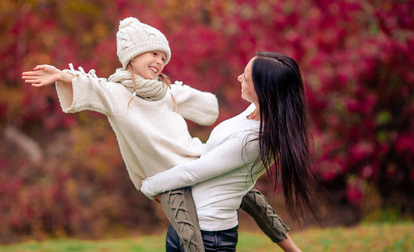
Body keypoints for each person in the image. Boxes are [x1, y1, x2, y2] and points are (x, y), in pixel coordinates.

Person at [22, 18, 295, 252]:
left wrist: (209, 107)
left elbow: (198, 104)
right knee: (193, 226)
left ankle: (290, 246)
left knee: (248, 195)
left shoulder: (165, 92)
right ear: (132, 56)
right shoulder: (117, 94)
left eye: (163, 57)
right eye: (153, 54)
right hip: (170, 175)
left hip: (192, 162)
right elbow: (95, 87)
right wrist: (62, 76)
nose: (159, 61)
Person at [141, 52, 322, 251]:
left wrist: (149, 187)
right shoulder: (255, 111)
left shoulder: (253, 141)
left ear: (263, 90)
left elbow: (193, 173)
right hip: (184, 223)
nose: (239, 78)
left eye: (245, 78)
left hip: (209, 237)